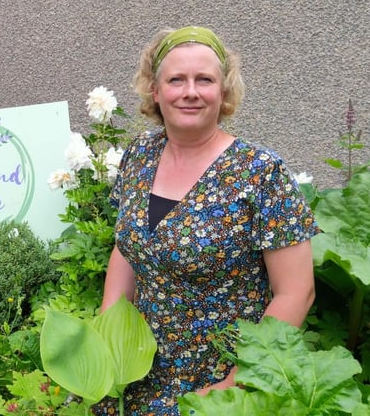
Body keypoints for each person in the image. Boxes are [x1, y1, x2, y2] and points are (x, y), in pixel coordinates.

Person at [96, 26, 319, 415]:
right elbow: (126, 249)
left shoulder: (260, 172)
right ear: (155, 90)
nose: (190, 91)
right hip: (133, 367)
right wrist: (106, 340)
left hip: (219, 377)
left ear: (224, 91)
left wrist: (233, 385)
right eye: (176, 79)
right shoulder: (140, 154)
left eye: (205, 80)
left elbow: (297, 293)